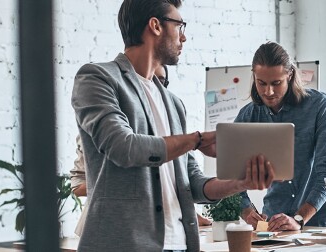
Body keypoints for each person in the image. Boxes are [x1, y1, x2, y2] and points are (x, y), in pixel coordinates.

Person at [71, 1, 275, 251]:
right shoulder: (98, 78)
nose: (184, 36)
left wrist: (241, 182)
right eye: (179, 25)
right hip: (124, 243)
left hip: (179, 244)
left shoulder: (173, 104)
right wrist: (197, 140)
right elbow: (123, 147)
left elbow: (193, 184)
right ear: (155, 26)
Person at [69, 65, 212, 239]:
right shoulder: (106, 129)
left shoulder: (173, 117)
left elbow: (188, 181)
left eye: (162, 81)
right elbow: (77, 185)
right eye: (150, 79)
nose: (155, 86)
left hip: (172, 235)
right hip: (116, 231)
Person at [237, 42, 326, 231]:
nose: (268, 92)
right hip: (273, 223)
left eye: (276, 83)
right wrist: (246, 209)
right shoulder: (249, 116)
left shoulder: (321, 107)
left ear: (290, 75)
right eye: (261, 83)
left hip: (318, 224)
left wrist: (299, 219)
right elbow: (231, 174)